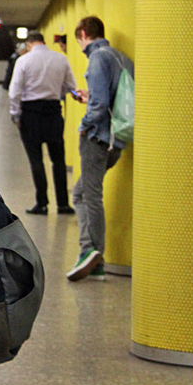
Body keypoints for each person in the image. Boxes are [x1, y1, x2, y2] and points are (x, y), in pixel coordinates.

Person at [65, 16, 134, 282]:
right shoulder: (120, 57)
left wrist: (84, 125)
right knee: (81, 193)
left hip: (98, 137)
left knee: (89, 196)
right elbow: (112, 97)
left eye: (79, 41)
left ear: (83, 33)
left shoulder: (97, 58)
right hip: (118, 137)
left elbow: (99, 105)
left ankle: (90, 253)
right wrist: (89, 97)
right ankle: (95, 261)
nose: (80, 48)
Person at [8, 32, 77, 215]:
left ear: (29, 44)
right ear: (44, 42)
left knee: (36, 160)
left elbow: (14, 92)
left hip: (30, 113)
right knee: (58, 160)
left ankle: (42, 203)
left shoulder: (23, 61)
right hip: (53, 111)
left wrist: (16, 114)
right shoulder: (60, 59)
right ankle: (63, 204)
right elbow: (71, 86)